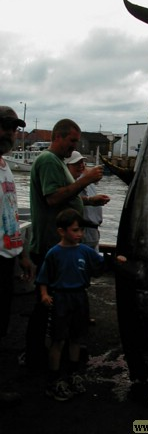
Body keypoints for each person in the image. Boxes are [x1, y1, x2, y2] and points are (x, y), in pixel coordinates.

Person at [26, 119, 104, 369]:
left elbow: (65, 197)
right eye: (72, 141)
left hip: (57, 245)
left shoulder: (56, 161)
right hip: (51, 246)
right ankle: (37, 354)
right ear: (57, 137)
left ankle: (51, 349)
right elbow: (53, 198)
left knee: (57, 304)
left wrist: (90, 203)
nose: (75, 146)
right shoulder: (48, 160)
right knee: (45, 305)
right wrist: (86, 179)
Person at [36, 208, 126, 401]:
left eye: (81, 231)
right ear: (62, 231)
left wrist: (116, 260)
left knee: (76, 337)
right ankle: (54, 380)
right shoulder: (54, 253)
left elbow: (100, 266)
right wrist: (44, 294)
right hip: (60, 298)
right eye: (75, 230)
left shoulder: (85, 251)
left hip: (80, 298)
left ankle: (73, 373)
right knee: (58, 339)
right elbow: (43, 277)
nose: (80, 234)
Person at [0, 106, 32, 405]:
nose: (10, 132)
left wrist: (21, 253)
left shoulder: (6, 166)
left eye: (13, 127)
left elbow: (10, 214)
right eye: (5, 126)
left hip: (7, 256)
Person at [65, 151, 110, 251]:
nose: (80, 166)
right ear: (67, 167)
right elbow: (70, 199)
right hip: (82, 233)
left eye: (82, 163)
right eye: (76, 164)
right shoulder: (70, 184)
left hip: (94, 232)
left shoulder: (88, 181)